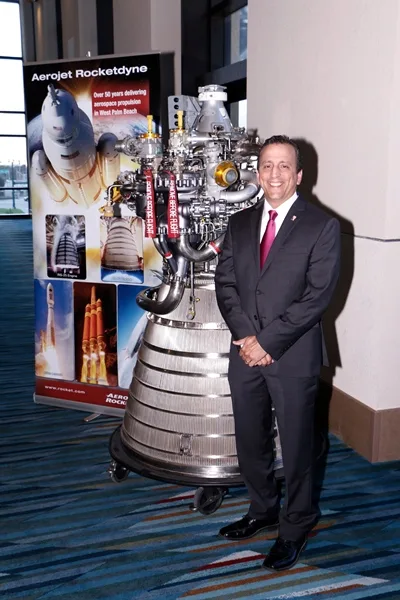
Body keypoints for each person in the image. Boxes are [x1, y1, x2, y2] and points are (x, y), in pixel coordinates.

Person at [214, 135, 341, 572]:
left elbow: (316, 297)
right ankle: (262, 509)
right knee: (250, 438)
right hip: (244, 351)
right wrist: (247, 337)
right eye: (267, 165)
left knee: (298, 445)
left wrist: (267, 342)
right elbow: (225, 284)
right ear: (257, 172)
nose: (274, 173)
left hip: (292, 354)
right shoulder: (239, 222)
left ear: (299, 175)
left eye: (284, 165)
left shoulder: (321, 226)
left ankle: (296, 526)